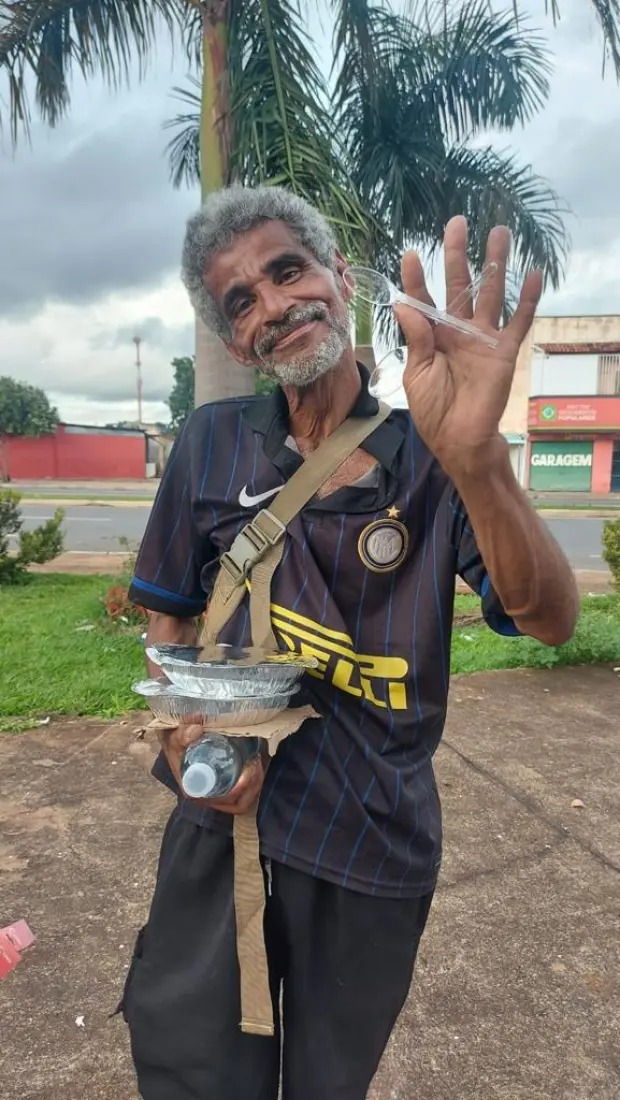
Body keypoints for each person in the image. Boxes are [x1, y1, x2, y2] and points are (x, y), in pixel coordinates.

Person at [122, 184, 579, 1100]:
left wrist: (478, 460)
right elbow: (167, 618)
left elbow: (547, 618)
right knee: (191, 1069)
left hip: (370, 844)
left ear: (338, 275)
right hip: (230, 830)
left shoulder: (434, 457)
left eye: (287, 271)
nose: (271, 307)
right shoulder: (212, 443)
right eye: (239, 301)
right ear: (229, 336)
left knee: (331, 1085)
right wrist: (182, 735)